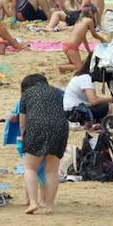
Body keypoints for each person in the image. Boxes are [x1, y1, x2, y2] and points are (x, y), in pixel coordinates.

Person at [18, 73, 68, 215]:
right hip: (60, 129)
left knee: (30, 168)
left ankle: (33, 202)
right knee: (52, 171)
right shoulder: (56, 92)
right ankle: (49, 205)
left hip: (37, 128)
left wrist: (23, 137)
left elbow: (23, 122)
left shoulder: (27, 94)